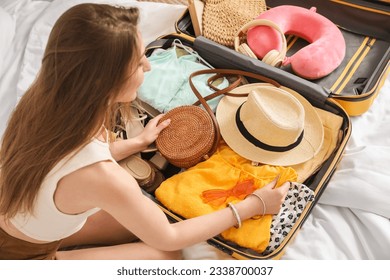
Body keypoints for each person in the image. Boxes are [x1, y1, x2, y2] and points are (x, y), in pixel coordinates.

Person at [0, 3, 290, 260]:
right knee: (165, 255)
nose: (149, 66)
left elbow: (65, 162)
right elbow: (169, 238)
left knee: (142, 218)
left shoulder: (42, 100)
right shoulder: (103, 176)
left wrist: (137, 143)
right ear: (107, 81)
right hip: (22, 253)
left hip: (19, 213)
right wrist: (252, 206)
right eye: (139, 63)